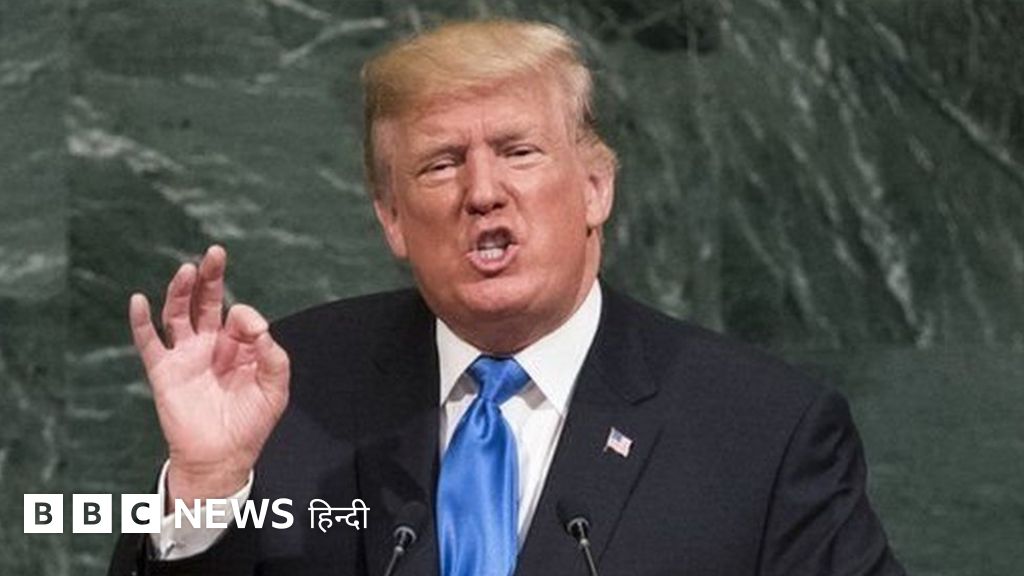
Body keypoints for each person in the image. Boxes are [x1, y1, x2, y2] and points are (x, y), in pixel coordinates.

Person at [108, 19, 905, 576]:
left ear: (595, 187)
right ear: (392, 217)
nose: (482, 192)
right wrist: (207, 490)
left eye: (519, 152)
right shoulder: (287, 392)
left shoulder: (762, 432)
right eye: (441, 164)